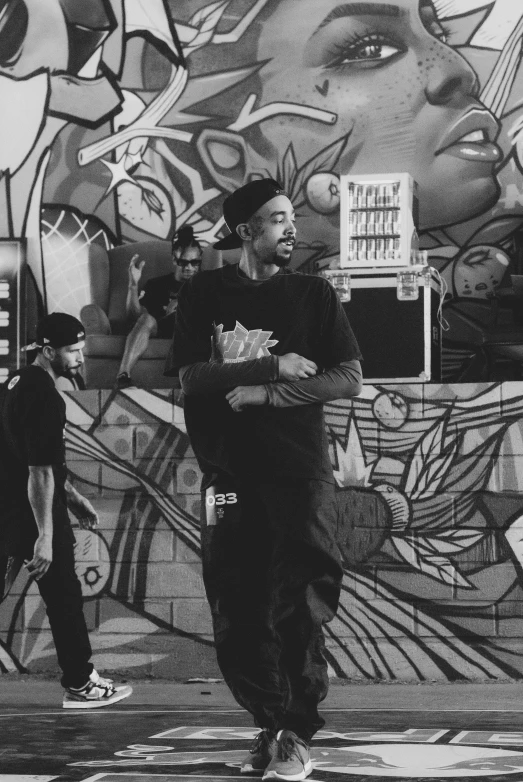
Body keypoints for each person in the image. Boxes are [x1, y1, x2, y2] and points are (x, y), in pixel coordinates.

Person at [166, 179, 363, 781]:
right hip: (228, 473)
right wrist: (268, 364)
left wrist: (271, 395)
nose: (291, 228)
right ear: (246, 229)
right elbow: (191, 378)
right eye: (277, 219)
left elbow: (348, 377)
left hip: (298, 474)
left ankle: (294, 732)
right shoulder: (204, 291)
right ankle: (271, 723)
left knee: (299, 605)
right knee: (236, 607)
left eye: (292, 217)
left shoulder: (313, 294)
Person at [0, 313, 133, 709]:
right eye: (72, 351)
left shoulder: (12, 385)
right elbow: (38, 471)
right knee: (63, 597)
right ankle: (80, 683)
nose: (79, 358)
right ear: (48, 351)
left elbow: (31, 458)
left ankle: (80, 678)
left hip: (8, 509)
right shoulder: (45, 395)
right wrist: (45, 535)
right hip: (32, 513)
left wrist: (72, 496)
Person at [116, 226, 202, 388]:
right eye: (183, 262)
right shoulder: (157, 285)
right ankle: (123, 375)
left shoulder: (205, 285)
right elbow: (134, 316)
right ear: (174, 260)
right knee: (146, 318)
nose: (189, 267)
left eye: (194, 262)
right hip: (161, 328)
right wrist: (133, 286)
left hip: (191, 331)